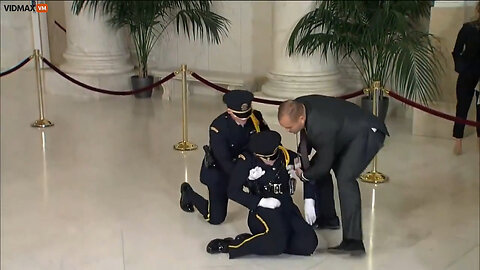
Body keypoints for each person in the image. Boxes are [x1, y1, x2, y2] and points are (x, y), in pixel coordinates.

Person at [278, 95, 389, 255]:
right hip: (344, 131)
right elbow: (306, 139)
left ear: (301, 118)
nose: (288, 131)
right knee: (319, 168)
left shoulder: (320, 127)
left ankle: (353, 241)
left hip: (366, 133)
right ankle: (328, 218)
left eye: (289, 127)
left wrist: (304, 176)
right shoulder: (299, 105)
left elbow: (323, 165)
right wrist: (300, 158)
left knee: (346, 178)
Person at [206, 130, 318, 259]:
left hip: (286, 206)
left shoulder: (287, 156)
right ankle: (232, 245)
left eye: (273, 157)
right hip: (262, 209)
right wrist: (259, 201)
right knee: (277, 242)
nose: (270, 161)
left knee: (308, 243)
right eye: (265, 158)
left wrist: (309, 200)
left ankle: (263, 241)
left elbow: (308, 175)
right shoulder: (247, 161)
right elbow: (233, 191)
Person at [179, 90, 269, 225]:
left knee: (263, 187)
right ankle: (188, 194)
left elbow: (266, 139)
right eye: (240, 116)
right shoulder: (218, 127)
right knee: (215, 218)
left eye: (246, 115)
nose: (244, 119)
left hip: (246, 165)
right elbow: (224, 161)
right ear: (230, 111)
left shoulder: (255, 117)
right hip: (221, 171)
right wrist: (246, 178)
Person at [451, 1, 480, 155]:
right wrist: (461, 67)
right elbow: (456, 51)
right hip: (468, 74)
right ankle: (458, 141)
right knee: (462, 107)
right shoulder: (468, 28)